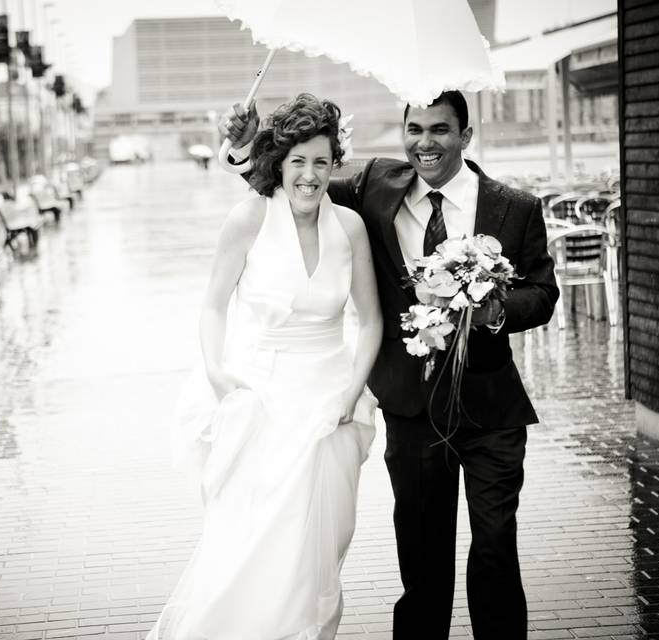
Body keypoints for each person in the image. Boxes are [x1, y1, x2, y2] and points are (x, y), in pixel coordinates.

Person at [221, 90, 559, 640]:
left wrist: (497, 310)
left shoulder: (514, 206)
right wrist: (244, 149)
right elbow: (298, 185)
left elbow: (543, 293)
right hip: (412, 407)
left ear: (466, 136)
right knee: (423, 561)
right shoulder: (376, 185)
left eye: (441, 130)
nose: (426, 142)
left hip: (493, 408)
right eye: (415, 128)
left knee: (496, 546)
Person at [148, 94, 383, 639]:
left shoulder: (348, 227)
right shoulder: (250, 217)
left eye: (321, 162)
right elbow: (212, 305)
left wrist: (352, 392)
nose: (309, 175)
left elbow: (369, 321)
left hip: (330, 405)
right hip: (261, 401)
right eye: (298, 161)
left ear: (334, 164)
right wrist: (216, 372)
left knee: (319, 553)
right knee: (252, 547)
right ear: (280, 163)